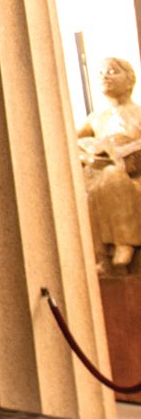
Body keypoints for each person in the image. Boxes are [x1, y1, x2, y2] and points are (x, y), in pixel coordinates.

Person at [78, 56, 141, 274]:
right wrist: (88, 152)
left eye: (113, 71)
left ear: (130, 80)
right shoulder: (96, 118)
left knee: (113, 176)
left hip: (134, 177)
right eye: (101, 73)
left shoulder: (138, 113)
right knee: (94, 185)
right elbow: (67, 142)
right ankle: (102, 254)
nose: (105, 76)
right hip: (102, 176)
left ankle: (124, 243)